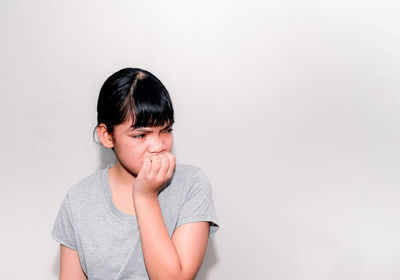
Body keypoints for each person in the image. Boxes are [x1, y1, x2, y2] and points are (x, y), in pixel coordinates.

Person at [51, 68, 219, 280]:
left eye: (166, 130)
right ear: (107, 136)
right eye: (141, 135)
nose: (158, 145)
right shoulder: (79, 199)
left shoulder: (192, 185)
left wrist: (146, 196)